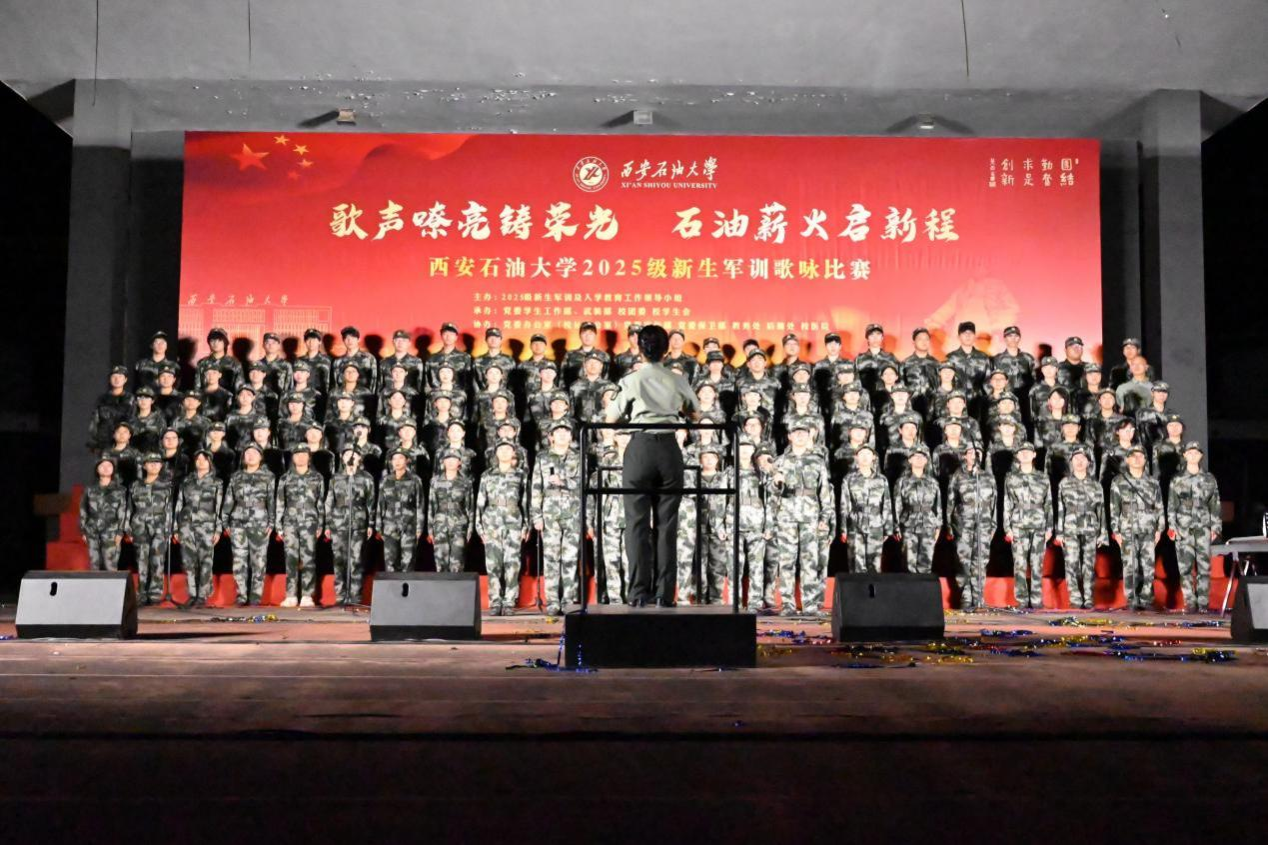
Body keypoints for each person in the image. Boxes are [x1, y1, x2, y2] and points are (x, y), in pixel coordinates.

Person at [604, 325, 701, 607]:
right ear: (666, 350)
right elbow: (696, 414)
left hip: (640, 449)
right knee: (666, 525)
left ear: (639, 349)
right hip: (669, 449)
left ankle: (637, 594)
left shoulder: (631, 380)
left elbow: (611, 418)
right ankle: (664, 594)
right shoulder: (677, 379)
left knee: (636, 524)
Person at [769, 421, 834, 616]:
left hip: (810, 516)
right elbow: (770, 494)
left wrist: (825, 517)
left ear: (809, 436)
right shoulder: (780, 462)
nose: (800, 436)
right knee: (786, 562)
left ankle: (810, 605)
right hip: (786, 516)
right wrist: (776, 484)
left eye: (803, 433)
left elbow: (824, 492)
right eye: (796, 433)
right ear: (789, 436)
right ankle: (787, 604)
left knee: (810, 561)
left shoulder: (817, 461)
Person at [531, 420, 584, 614]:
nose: (562, 434)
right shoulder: (543, 458)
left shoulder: (578, 457)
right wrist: (536, 516)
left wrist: (564, 481)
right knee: (551, 558)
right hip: (550, 514)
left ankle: (568, 600)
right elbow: (536, 487)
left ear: (571, 436)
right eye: (558, 431)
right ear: (551, 437)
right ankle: (553, 601)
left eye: (566, 431)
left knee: (570, 558)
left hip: (573, 512)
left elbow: (583, 483)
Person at [1167, 442, 1221, 613]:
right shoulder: (1177, 479)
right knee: (1185, 568)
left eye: (1196, 453)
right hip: (1183, 528)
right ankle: (1190, 602)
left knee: (1204, 567)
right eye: (1189, 453)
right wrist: (1172, 526)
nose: (1193, 455)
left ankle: (1203, 603)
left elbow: (1215, 503)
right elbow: (1171, 505)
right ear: (1184, 455)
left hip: (1203, 527)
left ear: (1201, 456)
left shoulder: (1209, 479)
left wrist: (1216, 527)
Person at [1110, 445, 1165, 611]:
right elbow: (1114, 507)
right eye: (1133, 456)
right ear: (1127, 460)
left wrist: (1160, 529)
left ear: (1145, 460)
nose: (1137, 459)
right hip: (1127, 529)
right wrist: (1116, 531)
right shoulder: (1119, 481)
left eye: (1141, 456)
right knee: (1130, 565)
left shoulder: (1153, 482)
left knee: (1148, 566)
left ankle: (1147, 599)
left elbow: (1159, 507)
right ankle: (1131, 599)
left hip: (1149, 528)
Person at [478, 439, 530, 614]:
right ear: (496, 453)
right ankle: (495, 601)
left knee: (512, 563)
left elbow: (526, 501)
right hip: (491, 522)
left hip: (513, 521)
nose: (505, 452)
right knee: (493, 564)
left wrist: (526, 526)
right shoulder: (487, 475)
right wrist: (479, 527)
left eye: (508, 449)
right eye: (501, 449)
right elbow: (480, 502)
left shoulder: (520, 475)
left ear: (513, 453)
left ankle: (509, 601)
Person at [223, 443, 277, 605]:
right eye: (247, 453)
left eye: (254, 453)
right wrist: (225, 521)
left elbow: (272, 500)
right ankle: (241, 596)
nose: (250, 456)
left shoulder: (268, 476)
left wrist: (272, 522)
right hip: (238, 521)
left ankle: (255, 597)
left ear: (260, 457)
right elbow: (229, 499)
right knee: (239, 561)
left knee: (259, 561)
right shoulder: (236, 476)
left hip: (260, 521)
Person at [323, 446, 377, 605]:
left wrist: (370, 524)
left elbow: (371, 502)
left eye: (353, 455)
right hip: (338, 522)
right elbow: (329, 501)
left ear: (359, 458)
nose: (350, 457)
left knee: (356, 560)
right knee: (339, 560)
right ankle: (340, 596)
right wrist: (327, 524)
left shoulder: (366, 478)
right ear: (342, 458)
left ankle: (355, 597)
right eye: (346, 454)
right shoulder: (336, 477)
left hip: (359, 522)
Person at [1055, 446, 1107, 610]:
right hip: (1070, 527)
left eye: (1083, 458)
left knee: (1088, 565)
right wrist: (1059, 532)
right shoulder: (1064, 483)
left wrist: (1103, 533)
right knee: (1071, 563)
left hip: (1091, 527)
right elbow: (1060, 508)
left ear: (1088, 462)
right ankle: (1076, 598)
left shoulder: (1096, 485)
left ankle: (1089, 597)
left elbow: (1101, 510)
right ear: (1071, 462)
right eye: (1076, 458)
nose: (1079, 461)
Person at [274, 444, 326, 608]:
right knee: (290, 558)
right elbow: (280, 502)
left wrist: (321, 524)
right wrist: (278, 525)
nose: (301, 457)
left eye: (304, 454)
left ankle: (307, 595)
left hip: (310, 521)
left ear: (309, 457)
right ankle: (291, 595)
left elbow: (321, 502)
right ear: (293, 458)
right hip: (290, 521)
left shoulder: (317, 477)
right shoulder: (285, 478)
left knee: (308, 558)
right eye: (297, 454)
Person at [1003, 442, 1053, 610]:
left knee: (1037, 564)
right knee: (1019, 564)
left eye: (1028, 452)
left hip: (1039, 524)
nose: (1024, 454)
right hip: (1018, 524)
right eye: (1021, 452)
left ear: (1034, 455)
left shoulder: (1043, 477)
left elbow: (1048, 503)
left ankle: (1036, 599)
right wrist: (1007, 528)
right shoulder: (1011, 477)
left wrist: (1049, 528)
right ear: (1017, 456)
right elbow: (1007, 503)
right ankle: (1022, 600)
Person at [947, 446, 997, 610]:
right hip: (963, 525)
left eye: (976, 453)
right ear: (964, 456)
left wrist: (993, 525)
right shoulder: (957, 476)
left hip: (984, 524)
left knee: (981, 562)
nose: (973, 456)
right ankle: (966, 597)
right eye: (969, 453)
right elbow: (950, 502)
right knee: (963, 561)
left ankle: (978, 597)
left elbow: (994, 503)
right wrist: (949, 525)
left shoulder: (987, 477)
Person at [173, 449, 223, 606]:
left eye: (204, 459)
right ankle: (192, 594)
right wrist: (176, 527)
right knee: (188, 561)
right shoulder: (187, 481)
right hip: (186, 525)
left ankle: (202, 595)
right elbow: (179, 504)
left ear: (210, 462)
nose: (201, 462)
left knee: (206, 561)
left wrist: (218, 529)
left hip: (207, 526)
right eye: (198, 459)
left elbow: (219, 507)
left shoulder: (217, 482)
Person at [125, 453, 175, 606]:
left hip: (160, 525)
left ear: (161, 466)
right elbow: (129, 507)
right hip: (139, 524)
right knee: (141, 559)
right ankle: (141, 593)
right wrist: (127, 528)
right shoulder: (135, 485)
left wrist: (170, 528)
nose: (154, 465)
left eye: (157, 463)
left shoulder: (167, 485)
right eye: (150, 463)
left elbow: (170, 508)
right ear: (144, 466)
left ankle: (155, 593)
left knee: (157, 559)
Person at [840, 443, 894, 575]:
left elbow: (886, 504)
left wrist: (888, 528)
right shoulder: (848, 479)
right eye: (861, 454)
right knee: (856, 566)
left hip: (876, 524)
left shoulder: (881, 479)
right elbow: (844, 505)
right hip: (855, 525)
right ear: (856, 457)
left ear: (874, 457)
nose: (865, 457)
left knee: (875, 566)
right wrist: (843, 529)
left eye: (868, 454)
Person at [589, 432, 630, 605]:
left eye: (628, 435)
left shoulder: (639, 459)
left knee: (630, 559)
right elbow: (594, 485)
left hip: (632, 514)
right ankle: (614, 598)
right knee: (611, 558)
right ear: (615, 438)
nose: (624, 438)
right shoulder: (607, 460)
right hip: (611, 515)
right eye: (621, 435)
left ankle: (631, 595)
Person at [736, 440, 774, 612]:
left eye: (748, 448)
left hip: (757, 525)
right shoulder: (730, 473)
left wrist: (769, 526)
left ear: (753, 450)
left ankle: (755, 603)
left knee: (757, 567)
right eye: (741, 448)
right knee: (735, 567)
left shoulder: (761, 474)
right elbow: (721, 500)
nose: (745, 451)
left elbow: (769, 501)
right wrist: (720, 525)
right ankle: (735, 603)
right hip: (734, 524)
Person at [894, 445, 942, 575]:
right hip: (908, 525)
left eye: (922, 457)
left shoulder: (933, 482)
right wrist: (897, 527)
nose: (919, 459)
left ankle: (924, 588)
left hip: (928, 525)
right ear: (910, 460)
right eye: (916, 456)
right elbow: (897, 505)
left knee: (926, 564)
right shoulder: (902, 482)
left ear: (926, 461)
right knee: (908, 564)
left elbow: (938, 506)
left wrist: (938, 526)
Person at [697, 444, 734, 604]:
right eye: (705, 457)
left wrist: (726, 525)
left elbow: (730, 502)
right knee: (699, 565)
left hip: (719, 528)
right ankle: (700, 598)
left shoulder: (724, 478)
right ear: (700, 460)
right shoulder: (695, 478)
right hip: (698, 527)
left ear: (718, 460)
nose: (709, 460)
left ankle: (716, 598)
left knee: (718, 565)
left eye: (712, 457)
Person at [378, 448, 425, 573]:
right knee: (390, 562)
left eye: (400, 458)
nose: (397, 461)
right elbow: (381, 504)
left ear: (407, 460)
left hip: (409, 526)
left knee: (408, 562)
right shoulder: (386, 480)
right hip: (389, 526)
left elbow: (420, 504)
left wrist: (419, 528)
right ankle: (392, 586)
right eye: (394, 459)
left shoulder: (415, 480)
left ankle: (407, 586)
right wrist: (379, 526)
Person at [428, 448, 474, 574]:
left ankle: (456, 587)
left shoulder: (466, 482)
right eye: (447, 459)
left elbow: (470, 507)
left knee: (457, 563)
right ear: (443, 462)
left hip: (459, 526)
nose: (450, 462)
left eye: (454, 459)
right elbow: (432, 505)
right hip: (440, 526)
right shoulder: (435, 481)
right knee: (440, 564)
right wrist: (430, 529)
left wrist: (469, 530)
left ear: (459, 462)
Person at [79, 455, 128, 572]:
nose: (106, 468)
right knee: (94, 564)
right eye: (102, 466)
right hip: (92, 529)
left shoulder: (120, 490)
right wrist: (83, 529)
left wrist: (120, 531)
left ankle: (111, 585)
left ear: (113, 469)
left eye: (109, 466)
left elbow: (123, 511)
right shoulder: (90, 490)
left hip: (112, 530)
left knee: (110, 564)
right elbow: (83, 509)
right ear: (97, 469)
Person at [90, 366, 136, 450]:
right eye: (114, 376)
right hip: (104, 440)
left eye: (120, 377)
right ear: (110, 379)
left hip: (123, 441)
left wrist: (127, 437)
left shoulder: (130, 399)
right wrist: (96, 438)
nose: (117, 379)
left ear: (125, 379)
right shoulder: (102, 399)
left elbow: (133, 420)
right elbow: (95, 421)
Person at [946, 321, 991, 399]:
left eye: (971, 333)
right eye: (964, 333)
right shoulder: (951, 358)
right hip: (956, 400)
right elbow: (946, 382)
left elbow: (988, 382)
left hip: (978, 400)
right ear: (959, 337)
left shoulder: (984, 357)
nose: (968, 336)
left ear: (974, 336)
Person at [991, 325, 1036, 401]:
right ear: (1005, 338)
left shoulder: (1028, 358)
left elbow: (1034, 380)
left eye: (1016, 336)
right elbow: (991, 381)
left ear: (1019, 338)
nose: (1013, 339)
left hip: (1024, 400)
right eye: (1010, 336)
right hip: (1004, 400)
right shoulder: (997, 359)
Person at [332, 326, 378, 395]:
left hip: (363, 397)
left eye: (353, 338)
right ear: (343, 340)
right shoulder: (338, 361)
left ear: (358, 339)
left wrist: (371, 398)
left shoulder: (369, 358)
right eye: (347, 338)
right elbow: (336, 384)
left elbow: (374, 381)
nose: (350, 341)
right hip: (344, 398)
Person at [195, 327, 243, 393]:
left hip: (228, 398)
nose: (215, 343)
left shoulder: (234, 363)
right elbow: (197, 387)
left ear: (225, 343)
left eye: (219, 340)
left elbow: (239, 388)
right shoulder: (203, 363)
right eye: (212, 340)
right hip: (206, 398)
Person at [563, 321, 610, 385]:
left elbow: (607, 379)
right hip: (574, 390)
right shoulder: (570, 355)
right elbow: (563, 378)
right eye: (584, 333)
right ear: (580, 335)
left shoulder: (603, 356)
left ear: (595, 335)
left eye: (590, 333)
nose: (587, 336)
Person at [298, 328, 333, 395]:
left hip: (322, 397)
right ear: (305, 342)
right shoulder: (299, 361)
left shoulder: (328, 361)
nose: (311, 342)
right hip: (302, 398)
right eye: (308, 339)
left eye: (314, 339)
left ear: (319, 342)